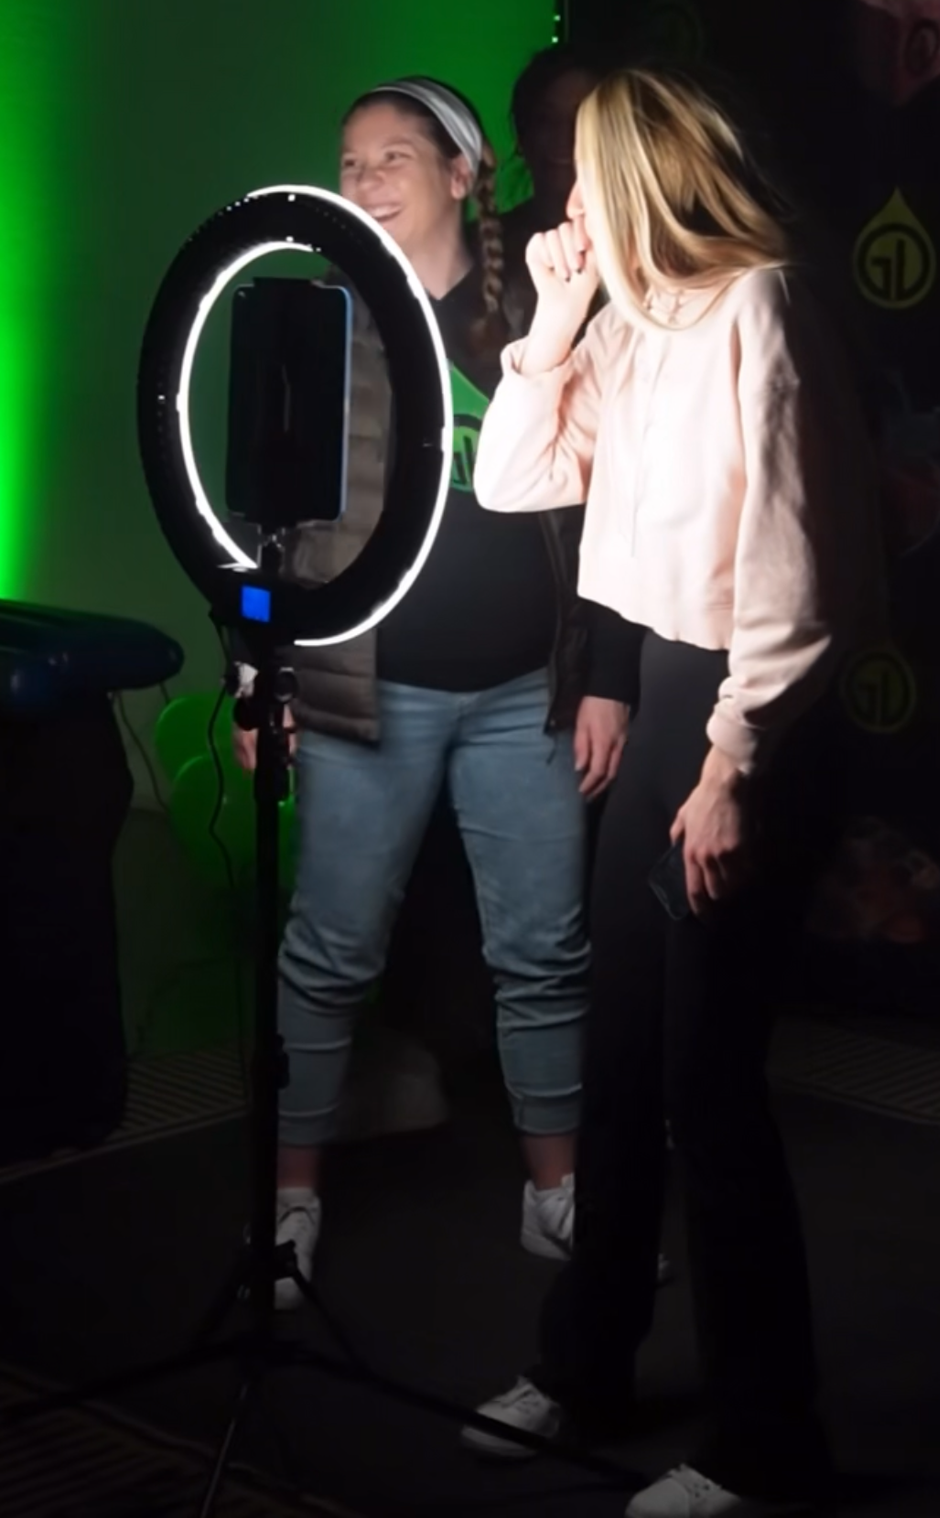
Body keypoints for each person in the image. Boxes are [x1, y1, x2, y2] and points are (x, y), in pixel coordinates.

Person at [461, 63, 884, 1517]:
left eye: (576, 177)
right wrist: (561, 317)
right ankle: (585, 1367)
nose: (556, 202)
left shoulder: (756, 305)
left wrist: (727, 770)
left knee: (711, 1091)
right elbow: (512, 480)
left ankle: (769, 1444)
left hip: (748, 719)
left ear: (632, 179)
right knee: (625, 1066)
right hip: (663, 707)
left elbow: (799, 579)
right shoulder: (634, 321)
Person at [232, 75, 647, 1309]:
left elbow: (614, 498)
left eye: (395, 154)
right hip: (371, 693)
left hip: (529, 688)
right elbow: (260, 522)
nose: (364, 178)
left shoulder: (548, 304)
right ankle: (289, 1201)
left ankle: (555, 1193)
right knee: (329, 952)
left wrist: (608, 680)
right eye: (349, 158)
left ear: (465, 173)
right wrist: (259, 672)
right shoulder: (316, 317)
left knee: (543, 950)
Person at [498, 44, 605, 271]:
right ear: (523, 133)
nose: (563, 135)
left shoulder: (647, 246)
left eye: (580, 119)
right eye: (546, 119)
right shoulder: (486, 248)